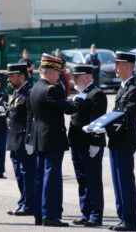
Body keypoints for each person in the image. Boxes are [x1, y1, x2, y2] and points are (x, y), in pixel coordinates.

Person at [27, 53, 83, 227]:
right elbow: (67, 109)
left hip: (40, 137)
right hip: (51, 138)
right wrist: (78, 100)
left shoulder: (35, 88)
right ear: (50, 72)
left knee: (40, 177)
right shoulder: (50, 90)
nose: (59, 76)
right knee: (51, 177)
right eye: (57, 73)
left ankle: (39, 214)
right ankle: (49, 215)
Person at [95, 51, 136, 231]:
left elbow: (127, 118)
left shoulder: (134, 90)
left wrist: (105, 128)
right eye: (116, 64)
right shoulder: (123, 88)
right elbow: (115, 115)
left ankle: (130, 221)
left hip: (125, 141)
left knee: (125, 181)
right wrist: (100, 125)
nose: (115, 68)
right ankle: (122, 217)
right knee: (117, 181)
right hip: (116, 141)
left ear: (129, 67)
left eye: (119, 64)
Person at [68, 65, 107, 227]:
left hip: (89, 144)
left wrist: (96, 143)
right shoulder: (81, 94)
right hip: (76, 143)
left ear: (87, 76)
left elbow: (100, 121)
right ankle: (85, 212)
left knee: (93, 179)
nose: (74, 79)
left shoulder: (96, 94)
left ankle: (96, 214)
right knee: (82, 179)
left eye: (77, 76)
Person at [5, 63, 35, 216]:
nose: (9, 79)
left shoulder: (29, 92)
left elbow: (31, 118)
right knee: (19, 173)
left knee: (27, 173)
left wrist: (29, 140)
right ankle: (23, 201)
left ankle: (29, 204)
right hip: (14, 140)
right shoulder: (18, 92)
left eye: (12, 75)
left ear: (22, 76)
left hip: (23, 140)